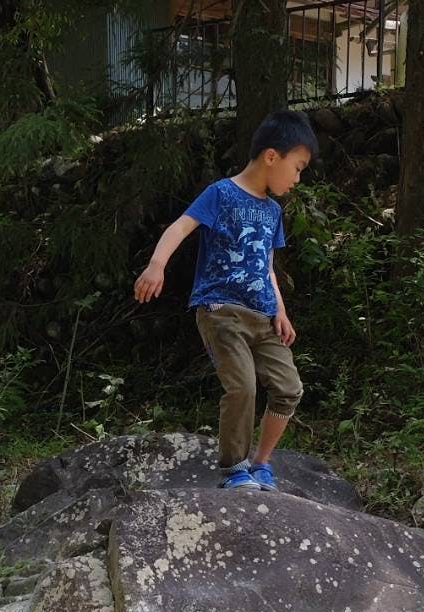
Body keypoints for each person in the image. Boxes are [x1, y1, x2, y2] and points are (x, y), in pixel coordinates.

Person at [133, 110, 315, 492]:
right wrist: (156, 265)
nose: (297, 179)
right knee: (243, 387)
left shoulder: (273, 211)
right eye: (297, 168)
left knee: (288, 388)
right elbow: (181, 226)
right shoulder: (221, 193)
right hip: (221, 310)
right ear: (271, 156)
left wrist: (281, 311)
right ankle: (235, 468)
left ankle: (261, 464)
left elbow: (266, 265)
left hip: (263, 316)